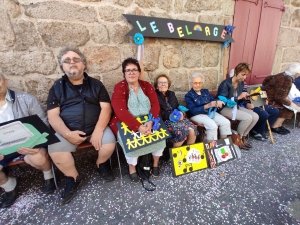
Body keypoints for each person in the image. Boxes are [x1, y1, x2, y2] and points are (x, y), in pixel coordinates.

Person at [47, 46, 116, 205]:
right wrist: (67, 134)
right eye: (67, 61)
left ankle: (101, 163)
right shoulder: (57, 87)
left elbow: (106, 107)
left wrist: (99, 130)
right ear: (62, 66)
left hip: (95, 128)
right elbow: (52, 115)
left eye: (76, 59)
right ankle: (73, 177)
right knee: (55, 149)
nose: (72, 63)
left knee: (109, 143)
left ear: (84, 64)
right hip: (68, 130)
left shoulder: (96, 85)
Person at [0, 72, 55, 208]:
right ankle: (9, 185)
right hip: (3, 148)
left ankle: (49, 176)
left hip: (29, 144)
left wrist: (35, 145)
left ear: (5, 82)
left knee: (38, 158)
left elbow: (44, 124)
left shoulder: (26, 99)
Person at [110, 58, 165, 183]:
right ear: (124, 73)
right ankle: (132, 168)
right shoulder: (119, 87)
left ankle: (155, 163)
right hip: (127, 122)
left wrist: (150, 121)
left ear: (139, 72)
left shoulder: (146, 85)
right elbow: (120, 111)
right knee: (130, 141)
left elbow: (155, 105)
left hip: (149, 120)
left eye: (134, 70)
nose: (131, 73)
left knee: (159, 135)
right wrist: (138, 127)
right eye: (128, 70)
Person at [228, 69, 279, 141]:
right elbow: (234, 101)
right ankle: (257, 131)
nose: (244, 77)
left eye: (244, 75)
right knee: (263, 113)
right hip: (245, 105)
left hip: (254, 102)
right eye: (242, 75)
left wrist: (263, 99)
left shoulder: (243, 84)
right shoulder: (230, 86)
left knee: (274, 111)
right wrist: (246, 104)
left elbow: (251, 92)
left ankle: (261, 129)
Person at [217, 63, 259, 150]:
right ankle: (238, 138)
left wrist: (245, 97)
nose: (244, 77)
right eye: (243, 74)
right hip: (224, 108)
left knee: (255, 116)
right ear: (236, 72)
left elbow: (238, 99)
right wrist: (239, 97)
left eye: (246, 75)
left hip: (235, 107)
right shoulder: (225, 84)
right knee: (248, 118)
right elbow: (223, 101)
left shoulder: (241, 83)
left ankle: (243, 136)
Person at [185, 73, 232, 144]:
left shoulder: (205, 91)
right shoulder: (188, 95)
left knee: (226, 122)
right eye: (195, 83)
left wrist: (217, 102)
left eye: (200, 83)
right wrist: (207, 106)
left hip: (209, 112)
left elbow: (212, 100)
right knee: (213, 126)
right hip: (196, 115)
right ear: (191, 84)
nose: (198, 85)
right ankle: (210, 148)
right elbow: (192, 111)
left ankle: (222, 144)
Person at [154, 74, 197, 147]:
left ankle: (189, 154)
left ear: (168, 84)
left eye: (165, 82)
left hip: (177, 117)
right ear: (157, 85)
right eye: (160, 82)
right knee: (181, 131)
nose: (163, 84)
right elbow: (158, 112)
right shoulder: (154, 95)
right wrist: (171, 116)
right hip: (165, 120)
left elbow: (177, 106)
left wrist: (181, 113)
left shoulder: (171, 94)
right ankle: (175, 155)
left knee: (192, 129)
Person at [263, 62, 300, 135]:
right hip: (270, 100)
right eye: (298, 74)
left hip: (271, 97)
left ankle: (279, 125)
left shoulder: (283, 75)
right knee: (289, 108)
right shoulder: (286, 79)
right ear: (296, 73)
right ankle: (275, 126)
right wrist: (291, 104)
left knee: (290, 104)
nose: (298, 76)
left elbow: (266, 80)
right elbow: (280, 97)